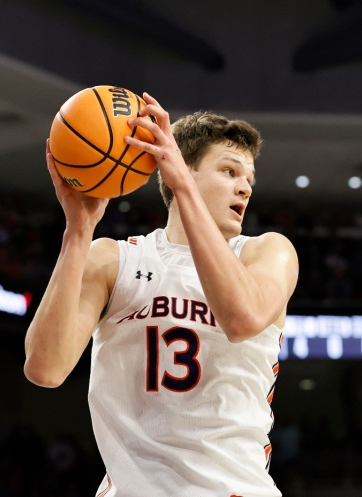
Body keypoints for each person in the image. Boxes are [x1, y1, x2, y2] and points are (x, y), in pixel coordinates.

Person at [24, 92, 299, 497]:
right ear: (178, 166)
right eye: (229, 171)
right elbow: (45, 369)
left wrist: (185, 189)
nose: (245, 188)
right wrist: (78, 231)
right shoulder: (112, 259)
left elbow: (242, 319)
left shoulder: (267, 252)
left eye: (249, 180)